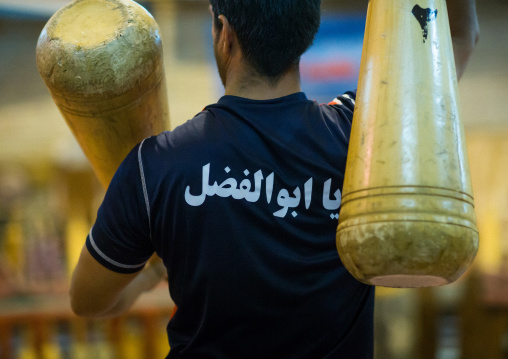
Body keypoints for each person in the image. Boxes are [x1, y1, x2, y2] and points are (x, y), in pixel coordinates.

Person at [69, 0, 480, 358]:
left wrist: (147, 278)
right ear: (305, 36)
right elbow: (460, 37)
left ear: (224, 33)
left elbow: (87, 300)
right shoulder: (366, 135)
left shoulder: (152, 166)